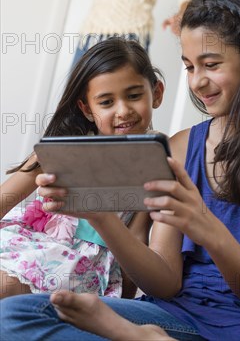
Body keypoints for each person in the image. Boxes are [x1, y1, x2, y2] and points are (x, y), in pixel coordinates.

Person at [1, 0, 240, 341]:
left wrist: (204, 224)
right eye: (189, 67)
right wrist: (100, 216)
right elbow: (165, 282)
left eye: (211, 65)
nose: (197, 82)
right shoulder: (179, 146)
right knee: (19, 314)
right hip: (176, 316)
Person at [0, 37, 164, 300]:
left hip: (83, 266)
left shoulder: (152, 163)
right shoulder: (64, 146)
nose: (123, 111)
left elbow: (136, 238)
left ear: (156, 93)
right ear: (87, 108)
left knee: (5, 287)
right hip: (32, 242)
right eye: (106, 102)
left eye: (133, 96)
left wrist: (128, 310)